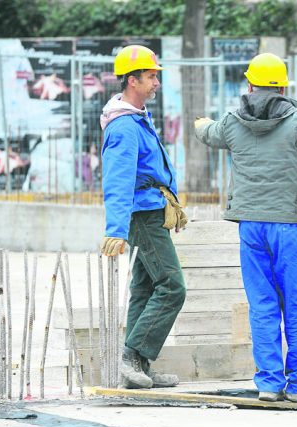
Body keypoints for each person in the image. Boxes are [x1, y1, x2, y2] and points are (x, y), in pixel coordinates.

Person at [194, 53, 297, 405]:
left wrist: (200, 123)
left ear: (249, 84)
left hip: (251, 228)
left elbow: (210, 133)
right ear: (283, 86)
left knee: (262, 304)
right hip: (290, 226)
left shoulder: (232, 122)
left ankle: (269, 384)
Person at [100, 45, 187, 389]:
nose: (156, 83)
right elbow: (118, 180)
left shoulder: (137, 117)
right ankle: (132, 357)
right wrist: (115, 230)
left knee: (145, 287)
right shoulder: (123, 126)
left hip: (151, 209)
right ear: (132, 81)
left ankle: (138, 367)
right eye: (151, 76)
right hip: (144, 216)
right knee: (172, 286)